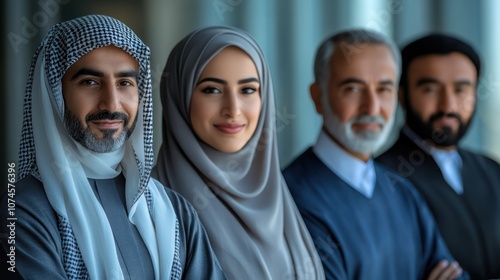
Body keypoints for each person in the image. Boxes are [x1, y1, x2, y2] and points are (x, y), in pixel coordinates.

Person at [0, 15, 225, 280]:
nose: (112, 104)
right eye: (90, 82)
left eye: (124, 83)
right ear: (53, 93)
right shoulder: (21, 212)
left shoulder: (175, 211)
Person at [283, 29, 467, 279]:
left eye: (384, 89)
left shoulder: (402, 192)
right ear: (318, 97)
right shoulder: (290, 199)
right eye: (353, 88)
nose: (372, 107)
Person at [151, 26, 324, 279]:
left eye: (248, 90)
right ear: (179, 95)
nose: (233, 109)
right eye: (212, 90)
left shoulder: (278, 195)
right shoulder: (151, 207)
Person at [376, 34, 500, 280]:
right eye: (430, 89)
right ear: (401, 94)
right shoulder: (382, 180)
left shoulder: (492, 171)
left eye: (461, 89)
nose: (448, 105)